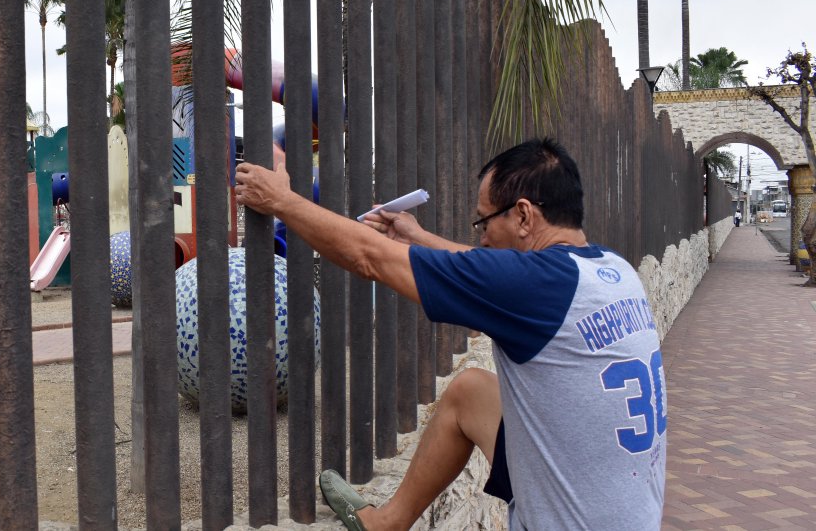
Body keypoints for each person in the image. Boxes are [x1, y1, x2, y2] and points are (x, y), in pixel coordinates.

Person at [234, 138, 666, 530]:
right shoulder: (610, 268)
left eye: (483, 224)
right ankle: (387, 524)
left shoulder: (537, 287)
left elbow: (369, 258)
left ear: (522, 215)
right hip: (628, 510)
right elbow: (488, 272)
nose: (480, 238)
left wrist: (281, 201)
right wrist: (417, 238)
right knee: (470, 392)